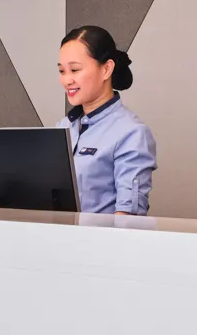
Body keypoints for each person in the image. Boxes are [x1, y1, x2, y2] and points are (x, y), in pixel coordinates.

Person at [57, 25, 156, 215]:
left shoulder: (132, 133)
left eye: (75, 70)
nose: (67, 80)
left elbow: (128, 217)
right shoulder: (62, 127)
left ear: (106, 69)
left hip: (99, 244)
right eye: (62, 71)